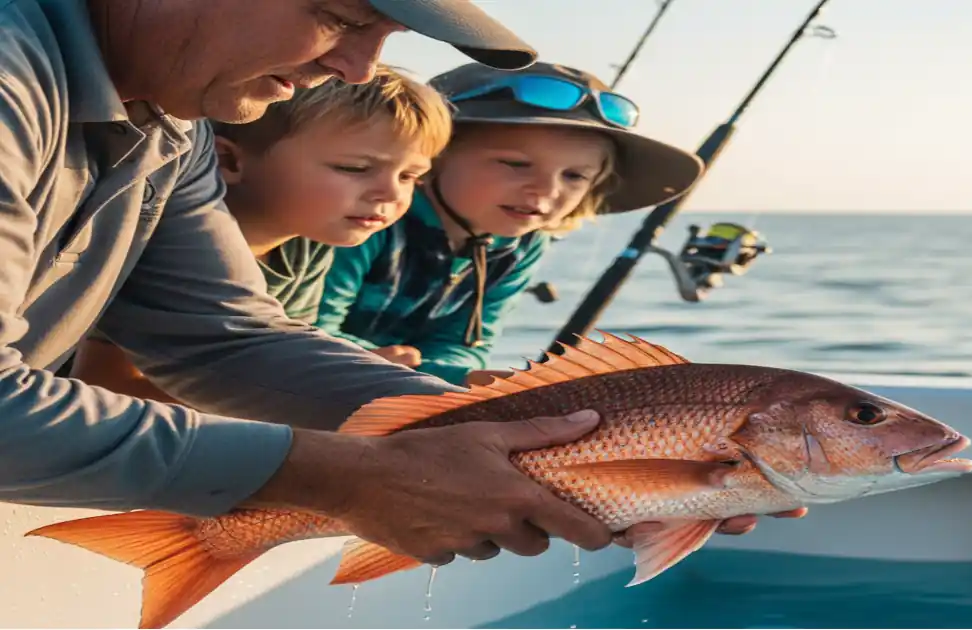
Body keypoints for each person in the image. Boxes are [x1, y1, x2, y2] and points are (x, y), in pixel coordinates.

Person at [0, 0, 779, 566]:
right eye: (339, 17)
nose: (357, 68)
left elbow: (223, 340)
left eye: (385, 35)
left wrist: (522, 436)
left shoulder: (172, 125)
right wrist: (350, 477)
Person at [68, 64, 453, 404]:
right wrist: (320, 394)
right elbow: (105, 384)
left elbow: (284, 356)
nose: (390, 193)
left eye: (410, 177)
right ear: (229, 160)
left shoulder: (307, 245)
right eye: (353, 168)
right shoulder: (164, 247)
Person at [314, 61, 705, 388]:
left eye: (574, 176)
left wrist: (458, 375)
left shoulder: (523, 243)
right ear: (432, 157)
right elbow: (308, 325)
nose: (546, 190)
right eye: (515, 163)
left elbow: (468, 341)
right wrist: (419, 371)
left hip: (396, 385)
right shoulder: (371, 215)